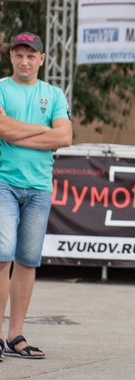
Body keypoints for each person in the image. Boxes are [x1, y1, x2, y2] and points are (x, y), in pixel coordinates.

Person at [0, 32, 72, 361]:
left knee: (28, 261)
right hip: (4, 182)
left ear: (41, 59)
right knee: (2, 256)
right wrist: (45, 131)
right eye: (19, 55)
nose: (24, 61)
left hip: (40, 186)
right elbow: (2, 129)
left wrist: (16, 132)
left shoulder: (53, 94)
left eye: (31, 56)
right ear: (11, 57)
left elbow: (65, 137)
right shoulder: (2, 88)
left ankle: (15, 335)